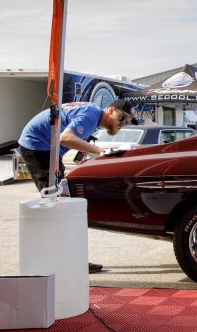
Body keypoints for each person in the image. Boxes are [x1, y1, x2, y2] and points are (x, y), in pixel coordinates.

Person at [18, 98, 139, 274]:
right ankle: (65, 259)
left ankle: (69, 256)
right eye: (122, 118)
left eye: (127, 122)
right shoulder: (91, 115)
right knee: (56, 204)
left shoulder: (94, 115)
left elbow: (67, 132)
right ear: (111, 110)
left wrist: (85, 151)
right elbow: (65, 138)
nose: (123, 124)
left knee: (62, 201)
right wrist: (102, 151)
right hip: (38, 146)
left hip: (47, 148)